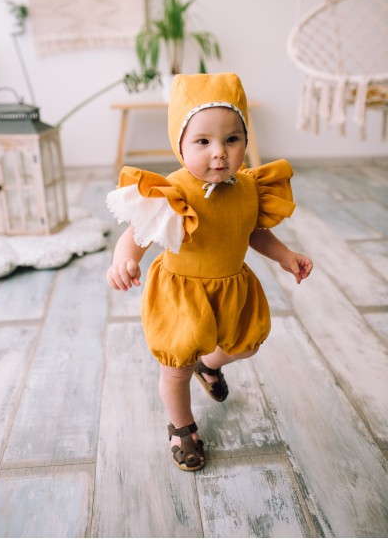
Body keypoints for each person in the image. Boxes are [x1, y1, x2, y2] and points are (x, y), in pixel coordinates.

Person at [106, 72, 313, 472]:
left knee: (246, 344)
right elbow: (136, 235)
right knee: (176, 367)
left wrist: (285, 256)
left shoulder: (249, 187)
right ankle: (181, 427)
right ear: (180, 144)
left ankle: (212, 364)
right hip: (181, 293)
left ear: (245, 142)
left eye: (232, 139)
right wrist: (123, 260)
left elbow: (255, 231)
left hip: (231, 286)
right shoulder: (173, 190)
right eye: (203, 141)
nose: (219, 152)